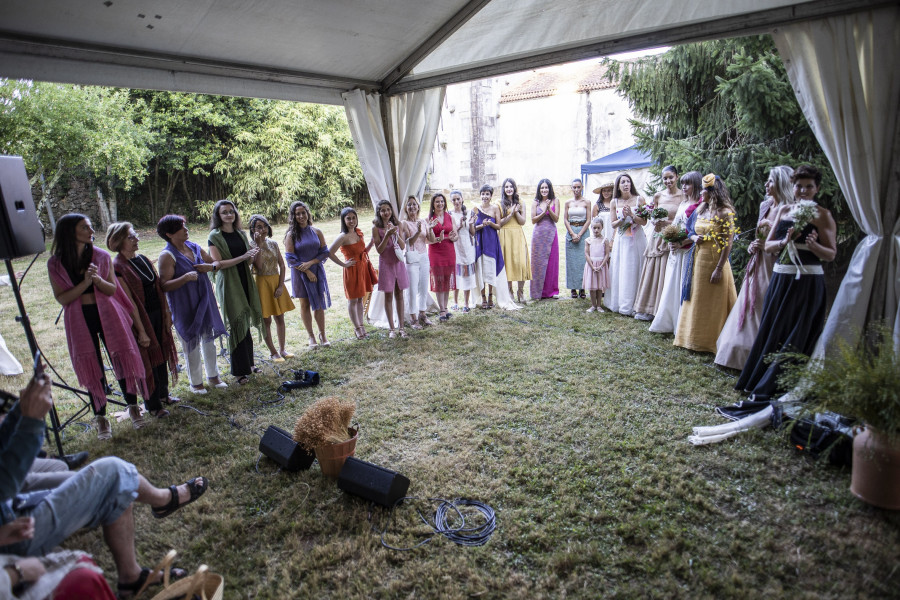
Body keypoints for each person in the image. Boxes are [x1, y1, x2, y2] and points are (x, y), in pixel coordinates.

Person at [0, 372, 207, 599]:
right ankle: (164, 500)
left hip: (9, 513)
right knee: (112, 473)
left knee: (104, 484)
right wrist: (29, 422)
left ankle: (131, 578)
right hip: (9, 533)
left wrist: (19, 411)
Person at [735, 164, 836, 402]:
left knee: (799, 328)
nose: (803, 191)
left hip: (808, 280)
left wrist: (814, 246)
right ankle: (761, 377)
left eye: (808, 186)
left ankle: (789, 381)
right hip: (781, 276)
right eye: (799, 186)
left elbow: (831, 253)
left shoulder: (823, 215)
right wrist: (784, 242)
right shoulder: (784, 210)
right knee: (774, 325)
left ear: (817, 188)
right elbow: (768, 246)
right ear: (793, 186)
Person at [47, 214, 146, 439]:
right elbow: (63, 298)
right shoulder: (55, 263)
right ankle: (101, 417)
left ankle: (133, 406)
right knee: (93, 367)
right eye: (85, 227)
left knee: (120, 358)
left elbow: (111, 290)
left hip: (108, 314)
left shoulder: (100, 256)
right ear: (70, 232)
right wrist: (85, 283)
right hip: (80, 319)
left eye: (91, 225)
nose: (91, 230)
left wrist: (98, 280)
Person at [715, 166, 794, 370]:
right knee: (749, 302)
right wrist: (753, 245)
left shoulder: (790, 210)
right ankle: (734, 353)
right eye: (766, 181)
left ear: (781, 184)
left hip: (774, 264)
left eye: (770, 181)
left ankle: (760, 353)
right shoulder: (765, 205)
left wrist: (769, 247)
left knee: (764, 304)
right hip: (757, 262)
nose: (766, 185)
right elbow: (759, 235)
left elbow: (788, 243)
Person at [106, 222, 180, 420]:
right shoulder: (118, 267)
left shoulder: (143, 259)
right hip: (140, 320)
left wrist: (166, 314)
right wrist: (141, 330)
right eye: (131, 237)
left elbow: (158, 288)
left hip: (156, 314)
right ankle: (153, 404)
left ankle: (163, 395)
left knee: (161, 355)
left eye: (135, 234)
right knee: (147, 361)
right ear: (119, 241)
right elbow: (129, 303)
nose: (136, 239)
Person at [157, 215, 228, 395]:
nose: (186, 229)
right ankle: (196, 383)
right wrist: (185, 278)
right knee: (191, 343)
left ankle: (213, 376)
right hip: (184, 303)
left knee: (208, 338)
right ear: (170, 234)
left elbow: (215, 263)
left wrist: (210, 267)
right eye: (182, 227)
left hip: (204, 300)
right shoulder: (167, 255)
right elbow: (164, 285)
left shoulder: (194, 247)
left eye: (185, 226)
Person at [674, 174, 738, 353]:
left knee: (713, 301)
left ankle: (710, 342)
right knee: (696, 297)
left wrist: (719, 268)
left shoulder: (725, 212)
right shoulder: (701, 209)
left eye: (703, 190)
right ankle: (690, 338)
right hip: (698, 258)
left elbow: (728, 243)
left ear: (712, 191)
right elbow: (690, 229)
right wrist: (694, 237)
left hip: (715, 259)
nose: (700, 193)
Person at [208, 200, 263, 383]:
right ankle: (239, 372)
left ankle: (250, 364)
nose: (229, 214)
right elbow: (218, 265)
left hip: (244, 279)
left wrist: (254, 252)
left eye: (231, 211)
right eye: (224, 212)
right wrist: (243, 257)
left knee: (245, 322)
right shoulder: (214, 237)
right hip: (229, 283)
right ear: (218, 216)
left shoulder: (240, 234)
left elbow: (247, 261)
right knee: (237, 322)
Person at [649, 171, 703, 335]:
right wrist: (671, 238)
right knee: (672, 283)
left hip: (688, 249)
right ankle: (668, 321)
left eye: (688, 184)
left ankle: (682, 322)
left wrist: (682, 242)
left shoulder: (701, 204)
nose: (684, 187)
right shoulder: (683, 202)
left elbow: (697, 230)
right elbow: (677, 224)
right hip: (675, 249)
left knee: (683, 284)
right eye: (684, 184)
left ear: (696, 185)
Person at [633, 166, 685, 321]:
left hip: (672, 237)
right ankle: (649, 308)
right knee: (653, 271)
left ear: (677, 177)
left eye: (671, 177)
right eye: (665, 178)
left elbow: (682, 218)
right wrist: (655, 221)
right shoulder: (658, 196)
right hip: (657, 237)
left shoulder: (683, 196)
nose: (668, 181)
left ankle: (664, 310)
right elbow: (652, 215)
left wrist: (667, 222)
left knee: (667, 273)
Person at [284, 201, 332, 349]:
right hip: (300, 274)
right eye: (297, 214)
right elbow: (290, 258)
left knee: (318, 303)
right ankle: (311, 336)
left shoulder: (317, 231)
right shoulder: (291, 235)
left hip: (316, 271)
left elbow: (325, 252)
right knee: (305, 304)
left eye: (303, 213)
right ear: (293, 216)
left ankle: (322, 334)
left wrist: (311, 264)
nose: (301, 216)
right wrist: (306, 270)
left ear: (307, 213)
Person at [248, 215, 296, 362]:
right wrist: (259, 245)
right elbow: (260, 267)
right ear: (252, 229)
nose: (263, 230)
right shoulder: (251, 246)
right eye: (259, 227)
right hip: (262, 283)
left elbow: (281, 264)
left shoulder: (273, 243)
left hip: (275, 280)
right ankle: (273, 351)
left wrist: (281, 285)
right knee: (266, 320)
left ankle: (282, 349)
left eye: (265, 226)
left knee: (280, 317)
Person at [328, 207, 378, 340]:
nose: (351, 221)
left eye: (353, 218)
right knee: (353, 299)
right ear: (343, 220)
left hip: (362, 267)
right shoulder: (342, 236)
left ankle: (361, 325)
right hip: (351, 270)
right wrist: (343, 264)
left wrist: (371, 243)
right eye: (348, 218)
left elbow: (363, 251)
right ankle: (357, 328)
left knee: (360, 298)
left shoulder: (358, 233)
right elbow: (330, 252)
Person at [606, 173, 648, 315]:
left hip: (637, 239)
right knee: (622, 269)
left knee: (635, 267)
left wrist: (632, 215)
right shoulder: (614, 202)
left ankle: (638, 303)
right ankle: (622, 303)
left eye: (628, 181)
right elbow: (613, 224)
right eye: (622, 182)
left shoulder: (639, 199)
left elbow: (644, 222)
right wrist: (622, 218)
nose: (625, 184)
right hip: (622, 239)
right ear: (618, 185)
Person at [372, 200, 410, 338]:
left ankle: (401, 327)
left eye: (388, 209)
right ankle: (391, 329)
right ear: (379, 212)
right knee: (388, 295)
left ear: (391, 210)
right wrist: (386, 235)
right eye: (383, 210)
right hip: (386, 264)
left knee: (399, 294)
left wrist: (395, 234)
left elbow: (402, 246)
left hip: (398, 263)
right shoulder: (376, 228)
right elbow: (379, 250)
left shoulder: (398, 224)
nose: (386, 212)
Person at [400, 196, 433, 329]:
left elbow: (428, 240)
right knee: (412, 289)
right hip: (412, 258)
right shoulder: (404, 223)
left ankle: (422, 314)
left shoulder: (423, 221)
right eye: (409, 205)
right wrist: (418, 231)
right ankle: (413, 317)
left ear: (418, 207)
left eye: (414, 204)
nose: (412, 207)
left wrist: (429, 228)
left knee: (423, 287)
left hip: (424, 256)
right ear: (406, 209)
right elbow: (407, 243)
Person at [497, 178, 530, 304]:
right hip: (505, 234)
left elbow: (522, 222)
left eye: (511, 186)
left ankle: (520, 291)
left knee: (521, 263)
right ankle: (509, 291)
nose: (509, 189)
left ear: (514, 188)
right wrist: (510, 214)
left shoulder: (521, 202)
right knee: (508, 264)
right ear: (504, 189)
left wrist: (516, 212)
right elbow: (499, 223)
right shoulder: (499, 203)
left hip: (517, 233)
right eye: (506, 187)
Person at [426, 192, 457, 321]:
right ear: (433, 204)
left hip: (449, 251)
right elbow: (427, 239)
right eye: (437, 201)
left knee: (447, 279)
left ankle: (445, 307)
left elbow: (455, 235)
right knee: (439, 281)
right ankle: (442, 310)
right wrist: (438, 237)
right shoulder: (429, 219)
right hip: (436, 252)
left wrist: (453, 237)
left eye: (442, 201)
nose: (440, 204)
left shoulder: (450, 217)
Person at [530, 178, 560, 300]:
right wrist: (544, 212)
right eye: (542, 188)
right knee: (538, 263)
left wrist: (549, 209)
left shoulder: (555, 200)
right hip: (538, 235)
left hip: (551, 233)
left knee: (552, 263)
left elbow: (556, 219)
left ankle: (551, 291)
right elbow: (533, 220)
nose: (544, 190)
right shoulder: (535, 202)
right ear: (539, 189)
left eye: (546, 187)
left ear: (550, 188)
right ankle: (538, 292)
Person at [474, 185, 503, 308]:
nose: (485, 196)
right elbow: (472, 227)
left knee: (490, 268)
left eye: (487, 194)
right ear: (480, 195)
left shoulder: (495, 208)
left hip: (491, 240)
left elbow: (499, 226)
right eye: (483, 194)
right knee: (480, 268)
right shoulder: (475, 209)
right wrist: (481, 225)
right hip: (480, 241)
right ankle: (483, 297)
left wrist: (490, 223)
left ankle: (491, 295)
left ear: (491, 196)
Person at [449, 190, 477, 312]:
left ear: (462, 199)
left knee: (467, 276)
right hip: (455, 247)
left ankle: (466, 303)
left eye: (458, 199)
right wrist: (459, 225)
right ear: (451, 201)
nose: (456, 202)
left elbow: (473, 232)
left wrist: (471, 224)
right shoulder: (449, 214)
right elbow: (452, 233)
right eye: (454, 200)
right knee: (456, 276)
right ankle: (455, 302)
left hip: (468, 248)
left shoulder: (469, 212)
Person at [564, 178, 590, 299]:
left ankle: (582, 287)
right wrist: (572, 233)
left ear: (582, 188)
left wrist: (579, 235)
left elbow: (589, 220)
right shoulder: (568, 203)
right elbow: (565, 219)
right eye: (574, 187)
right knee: (572, 262)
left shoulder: (587, 202)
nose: (576, 189)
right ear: (571, 188)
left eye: (578, 187)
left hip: (583, 231)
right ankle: (573, 288)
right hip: (571, 231)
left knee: (582, 261)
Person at [582, 217, 612, 313]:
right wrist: (592, 266)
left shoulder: (605, 240)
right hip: (591, 265)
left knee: (599, 286)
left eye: (598, 228)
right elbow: (586, 253)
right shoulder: (588, 240)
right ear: (591, 228)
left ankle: (599, 305)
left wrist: (601, 265)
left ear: (602, 228)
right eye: (594, 228)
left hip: (601, 266)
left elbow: (607, 254)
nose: (596, 230)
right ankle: (593, 305)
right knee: (592, 286)